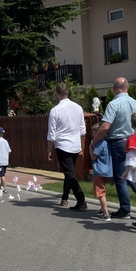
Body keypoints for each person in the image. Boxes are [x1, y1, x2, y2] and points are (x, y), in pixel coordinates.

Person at [90, 77, 136, 218]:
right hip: (134, 141)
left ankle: (125, 209)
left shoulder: (113, 104)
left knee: (121, 177)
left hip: (119, 142)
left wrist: (94, 141)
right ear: (128, 88)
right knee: (133, 173)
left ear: (114, 89)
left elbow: (105, 127)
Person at [47, 82, 87, 211]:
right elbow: (82, 130)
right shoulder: (78, 108)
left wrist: (49, 149)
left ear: (57, 94)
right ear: (67, 92)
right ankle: (64, 198)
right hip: (75, 144)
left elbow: (51, 134)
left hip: (62, 145)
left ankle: (81, 200)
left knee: (69, 173)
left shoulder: (55, 110)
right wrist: (80, 145)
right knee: (69, 172)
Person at [89, 122, 113, 222]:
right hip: (108, 170)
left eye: (96, 133)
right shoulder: (107, 142)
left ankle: (106, 213)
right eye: (93, 133)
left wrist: (90, 147)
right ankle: (102, 209)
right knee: (103, 190)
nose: (94, 135)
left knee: (100, 192)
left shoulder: (98, 144)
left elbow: (93, 156)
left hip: (99, 170)